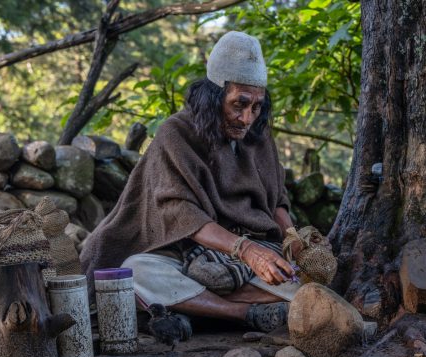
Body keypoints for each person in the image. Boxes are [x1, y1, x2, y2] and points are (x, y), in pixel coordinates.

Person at [80, 31, 302, 333]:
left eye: (257, 107)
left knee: (302, 281)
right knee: (134, 271)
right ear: (214, 97)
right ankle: (243, 314)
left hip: (250, 259)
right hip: (182, 257)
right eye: (239, 104)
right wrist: (245, 249)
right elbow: (180, 211)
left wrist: (294, 240)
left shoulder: (259, 137)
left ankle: (196, 309)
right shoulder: (176, 133)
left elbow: (276, 200)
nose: (247, 118)